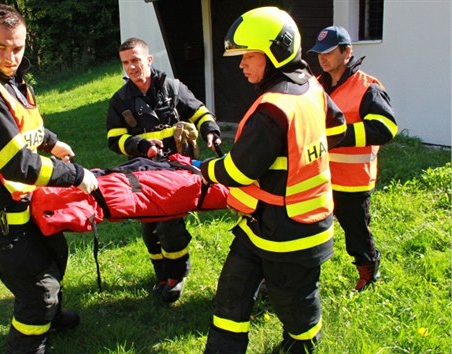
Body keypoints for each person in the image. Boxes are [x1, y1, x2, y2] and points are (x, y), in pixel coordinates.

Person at [0, 5, 98, 353]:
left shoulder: (10, 82)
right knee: (38, 293)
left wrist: (52, 142)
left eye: (17, 47)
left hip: (21, 203)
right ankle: (28, 344)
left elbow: (25, 128)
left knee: (55, 256)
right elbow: (16, 164)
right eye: (0, 47)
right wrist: (76, 175)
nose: (11, 56)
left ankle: (52, 319)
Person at [200, 7, 346, 353]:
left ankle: (302, 345)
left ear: (274, 52)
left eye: (248, 56)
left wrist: (203, 168)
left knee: (294, 304)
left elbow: (238, 171)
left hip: (291, 234)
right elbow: (337, 129)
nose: (241, 65)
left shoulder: (274, 107)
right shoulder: (310, 85)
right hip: (262, 224)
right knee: (232, 293)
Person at [106, 37, 222, 303]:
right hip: (143, 172)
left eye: (135, 60)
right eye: (126, 63)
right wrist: (140, 145)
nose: (131, 67)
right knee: (149, 227)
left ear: (148, 59)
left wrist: (211, 131)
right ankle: (160, 273)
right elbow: (114, 139)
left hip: (175, 171)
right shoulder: (119, 100)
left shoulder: (172, 88)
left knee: (170, 224)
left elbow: (200, 112)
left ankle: (176, 275)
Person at [308, 26, 397, 292]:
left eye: (329, 52)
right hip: (318, 176)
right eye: (318, 53)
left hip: (353, 181)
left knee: (356, 234)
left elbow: (386, 128)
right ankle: (297, 278)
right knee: (308, 232)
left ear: (347, 52)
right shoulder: (314, 85)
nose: (322, 58)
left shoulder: (368, 87)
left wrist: (340, 135)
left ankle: (368, 273)